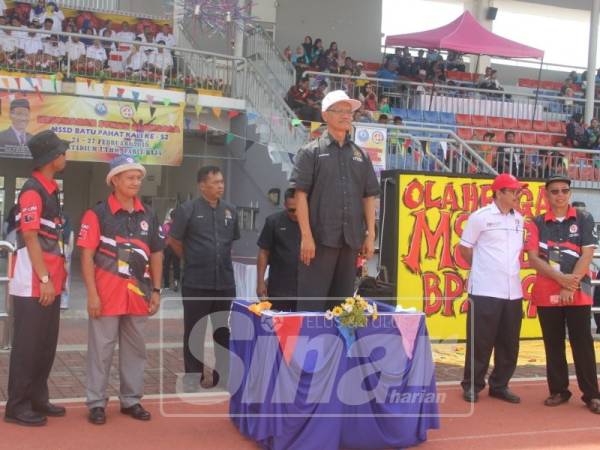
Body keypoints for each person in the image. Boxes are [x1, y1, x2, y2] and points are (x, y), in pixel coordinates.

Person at [77, 155, 163, 425]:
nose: (136, 182)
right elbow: (86, 257)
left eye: (139, 177)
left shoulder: (149, 214)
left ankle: (131, 400)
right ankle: (96, 403)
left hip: (138, 296)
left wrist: (157, 290)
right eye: (130, 177)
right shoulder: (97, 214)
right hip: (106, 296)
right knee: (101, 351)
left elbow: (158, 254)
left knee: (136, 350)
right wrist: (92, 293)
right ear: (114, 180)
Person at [290, 90, 379, 311]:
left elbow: (369, 196)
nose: (346, 115)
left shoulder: (361, 155)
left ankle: (338, 347)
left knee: (343, 308)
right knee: (312, 308)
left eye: (349, 111)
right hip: (318, 242)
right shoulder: (310, 152)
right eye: (339, 110)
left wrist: (370, 236)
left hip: (350, 242)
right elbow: (300, 195)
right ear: (325, 115)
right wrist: (306, 237)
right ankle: (310, 346)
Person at [5, 130, 69, 427]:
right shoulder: (32, 190)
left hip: (49, 281)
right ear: (52, 158)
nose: (65, 155)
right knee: (28, 346)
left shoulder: (51, 189)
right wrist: (44, 278)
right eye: (62, 151)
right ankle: (17, 406)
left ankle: (38, 398)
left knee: (45, 345)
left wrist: (53, 280)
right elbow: (29, 236)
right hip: (34, 281)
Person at [526, 175, 600, 414]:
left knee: (583, 343)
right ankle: (558, 390)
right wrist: (560, 280)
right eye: (554, 191)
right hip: (547, 290)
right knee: (553, 343)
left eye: (564, 190)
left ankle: (592, 394)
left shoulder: (585, 218)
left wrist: (570, 285)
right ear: (546, 195)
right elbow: (534, 259)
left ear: (569, 193)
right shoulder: (536, 222)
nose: (559, 195)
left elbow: (587, 255)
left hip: (579, 289)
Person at [168, 166, 239, 391]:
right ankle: (193, 378)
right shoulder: (187, 210)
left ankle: (223, 377)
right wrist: (191, 259)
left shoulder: (230, 211)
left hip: (224, 282)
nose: (221, 186)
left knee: (223, 331)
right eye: (215, 182)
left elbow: (231, 243)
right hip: (196, 282)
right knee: (194, 331)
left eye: (222, 182)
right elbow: (174, 240)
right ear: (202, 186)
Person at [458, 173, 527, 404]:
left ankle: (500, 384)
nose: (519, 195)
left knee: (509, 342)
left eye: (519, 191)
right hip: (485, 289)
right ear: (499, 193)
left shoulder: (519, 219)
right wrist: (482, 268)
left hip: (513, 290)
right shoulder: (480, 217)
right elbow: (465, 248)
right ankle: (472, 385)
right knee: (481, 340)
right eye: (514, 191)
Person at [256, 188, 300, 311]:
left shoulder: (312, 223)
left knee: (304, 329)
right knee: (277, 327)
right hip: (279, 289)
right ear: (285, 205)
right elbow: (263, 252)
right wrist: (260, 282)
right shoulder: (273, 222)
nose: (296, 213)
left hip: (305, 290)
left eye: (299, 208)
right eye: (291, 210)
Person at [162, 209, 180, 291]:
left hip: (168, 248)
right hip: (176, 248)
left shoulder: (165, 226)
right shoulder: (179, 226)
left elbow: (163, 238)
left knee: (166, 266)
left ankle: (166, 284)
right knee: (176, 266)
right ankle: (176, 282)